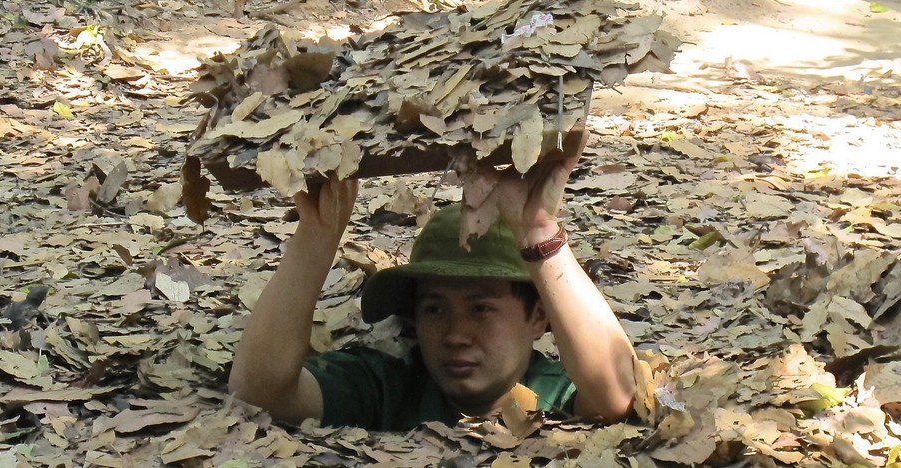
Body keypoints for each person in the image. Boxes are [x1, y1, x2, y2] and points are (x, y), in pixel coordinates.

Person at [228, 134, 636, 430]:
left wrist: (538, 233)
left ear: (537, 316)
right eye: (434, 309)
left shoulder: (555, 390)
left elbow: (616, 395)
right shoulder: (389, 386)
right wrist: (316, 236)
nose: (456, 334)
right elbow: (261, 393)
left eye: (481, 308)